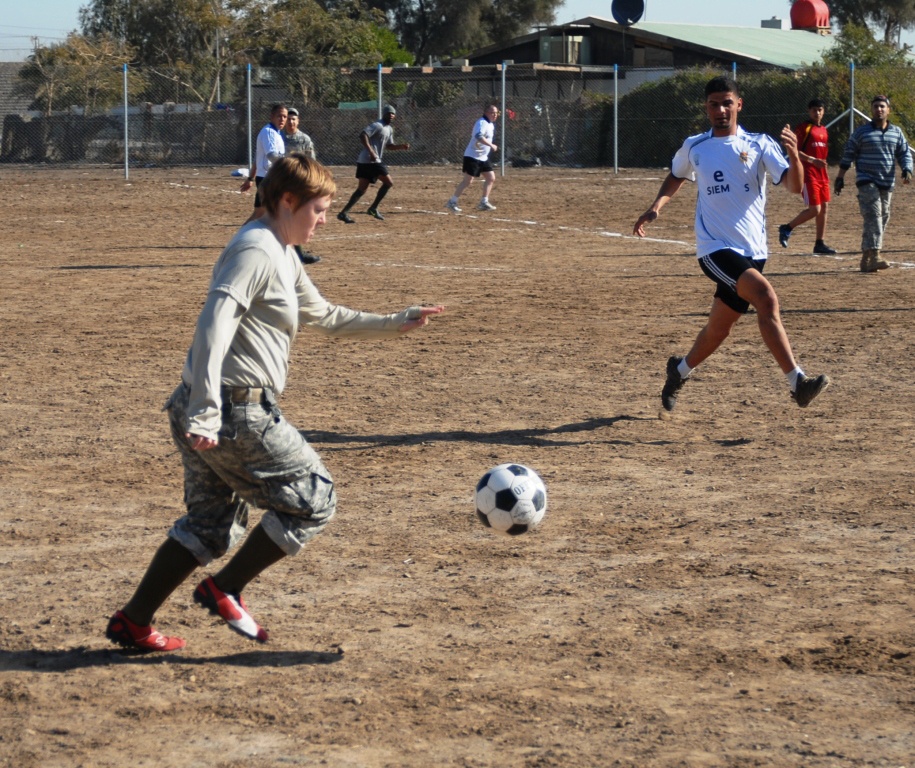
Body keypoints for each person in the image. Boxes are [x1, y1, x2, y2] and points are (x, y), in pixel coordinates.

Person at [105, 154, 444, 652]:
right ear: (287, 200)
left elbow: (324, 316)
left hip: (209, 405)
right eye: (320, 209)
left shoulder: (282, 250)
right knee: (315, 499)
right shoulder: (256, 249)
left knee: (209, 527)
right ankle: (225, 588)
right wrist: (206, 411)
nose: (325, 219)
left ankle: (132, 622)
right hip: (231, 410)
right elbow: (213, 326)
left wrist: (396, 320)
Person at [633, 76, 829, 411]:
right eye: (714, 104)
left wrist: (795, 155)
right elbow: (676, 175)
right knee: (766, 298)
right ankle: (797, 382)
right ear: (706, 108)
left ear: (739, 104)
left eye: (727, 103)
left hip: (754, 251)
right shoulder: (695, 146)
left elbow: (795, 187)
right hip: (714, 249)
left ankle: (678, 371)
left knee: (718, 330)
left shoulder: (760, 143)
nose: (721, 110)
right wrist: (655, 207)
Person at [834, 94, 913, 273]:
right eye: (876, 106)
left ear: (888, 110)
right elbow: (849, 154)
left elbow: (904, 153)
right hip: (866, 180)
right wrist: (840, 177)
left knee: (882, 217)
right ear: (872, 110)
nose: (879, 109)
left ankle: (866, 257)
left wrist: (907, 168)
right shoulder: (862, 132)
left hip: (887, 182)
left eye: (882, 106)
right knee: (874, 216)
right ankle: (876, 255)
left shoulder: (896, 132)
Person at [239, 103, 320, 265]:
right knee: (288, 213)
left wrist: (250, 178)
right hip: (269, 181)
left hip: (270, 179)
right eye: (280, 116)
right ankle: (297, 255)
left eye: (285, 116)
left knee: (261, 215)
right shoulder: (269, 132)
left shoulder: (276, 133)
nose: (283, 119)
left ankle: (240, 242)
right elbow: (271, 156)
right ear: (272, 117)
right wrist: (291, 165)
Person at [777, 98, 837, 255]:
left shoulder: (823, 129)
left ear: (823, 112)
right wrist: (812, 160)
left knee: (824, 208)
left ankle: (820, 243)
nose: (817, 113)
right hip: (808, 173)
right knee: (814, 209)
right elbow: (794, 150)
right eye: (814, 110)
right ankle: (787, 228)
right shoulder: (804, 128)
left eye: (820, 110)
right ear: (809, 111)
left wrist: (820, 163)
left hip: (821, 174)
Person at [336, 105, 410, 223]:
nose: (391, 115)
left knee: (361, 189)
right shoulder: (377, 125)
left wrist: (401, 146)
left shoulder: (389, 129)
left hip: (366, 161)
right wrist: (371, 151)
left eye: (393, 114)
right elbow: (363, 135)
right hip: (370, 160)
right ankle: (373, 208)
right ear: (384, 114)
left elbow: (389, 146)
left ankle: (343, 213)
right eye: (388, 113)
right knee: (388, 182)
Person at [283, 108, 321, 264]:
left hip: (298, 182)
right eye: (289, 119)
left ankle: (297, 253)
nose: (291, 122)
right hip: (282, 182)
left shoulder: (304, 139)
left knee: (296, 216)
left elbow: (311, 161)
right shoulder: (278, 137)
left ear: (298, 121)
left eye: (294, 119)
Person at [446, 105, 500, 213]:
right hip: (472, 156)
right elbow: (478, 136)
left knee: (490, 178)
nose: (495, 115)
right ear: (486, 112)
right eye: (492, 112)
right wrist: (491, 145)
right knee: (467, 181)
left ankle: (484, 202)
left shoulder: (491, 124)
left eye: (496, 113)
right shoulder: (481, 123)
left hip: (483, 157)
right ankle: (452, 202)